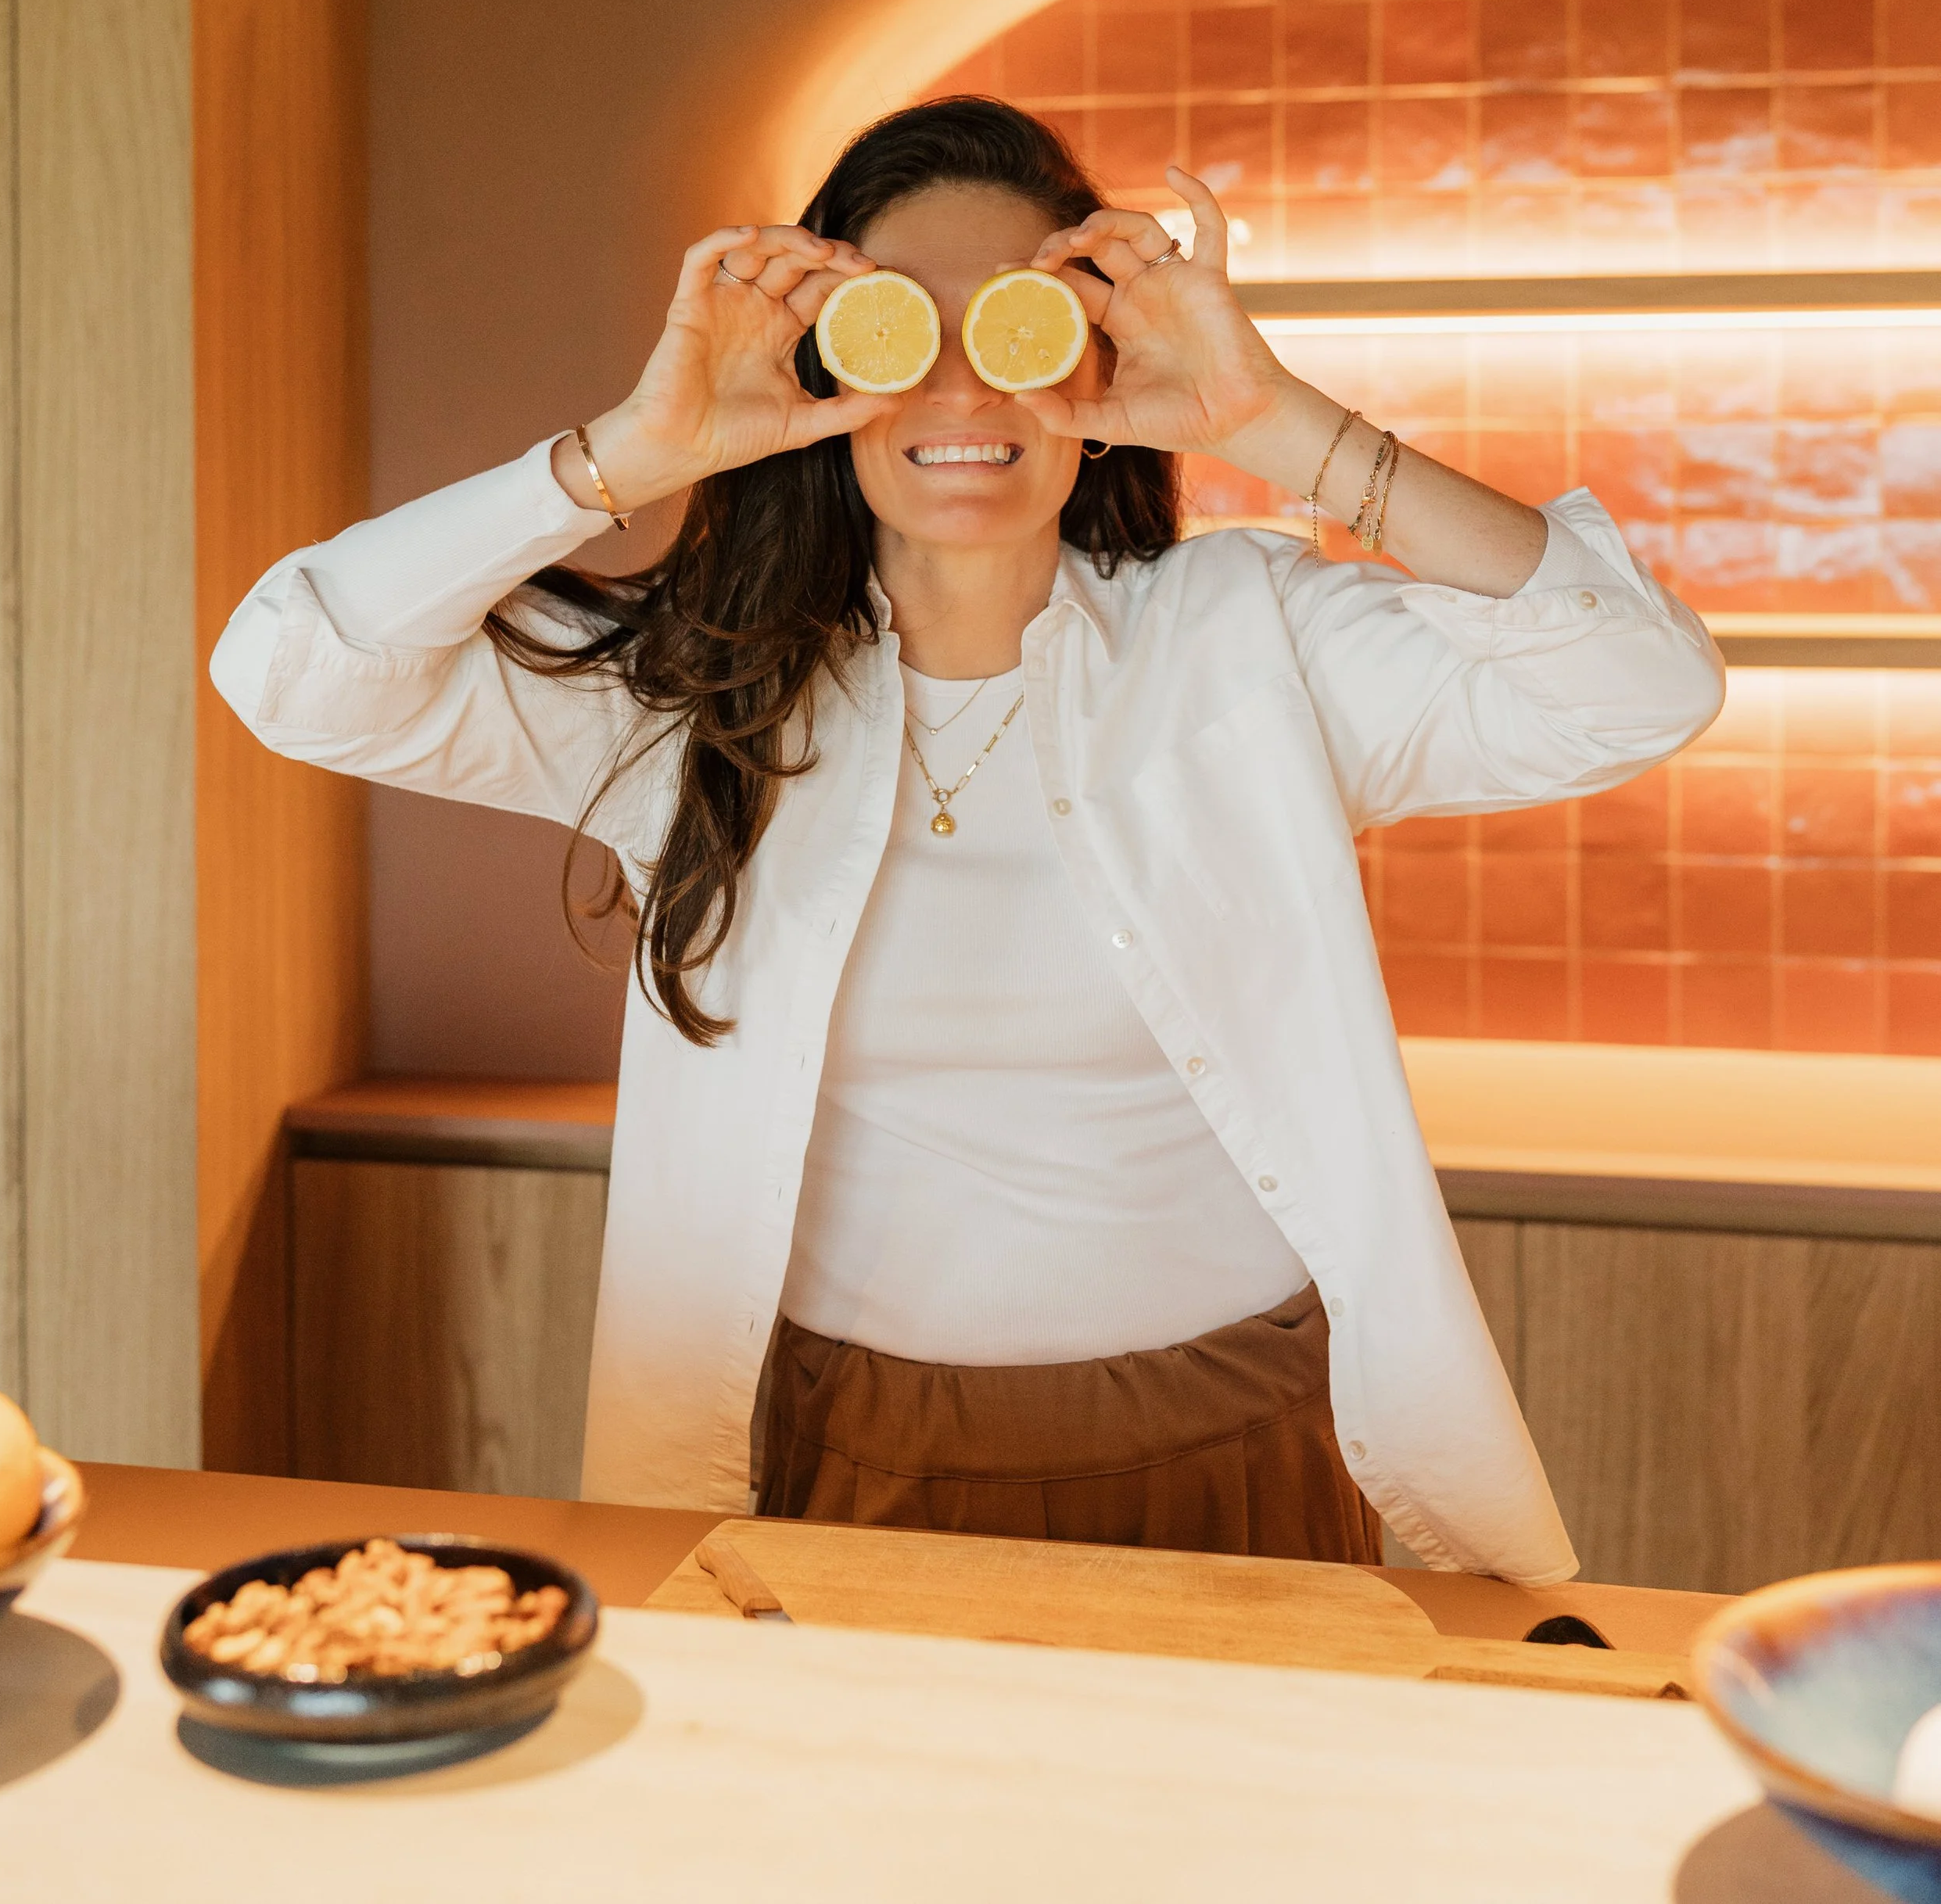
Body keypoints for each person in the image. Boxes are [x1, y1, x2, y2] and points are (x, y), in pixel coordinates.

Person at [213, 96, 1722, 1580]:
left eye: (1014, 327)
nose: (958, 389)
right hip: (843, 1448)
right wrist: (636, 448)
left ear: (1094, 360)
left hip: (1233, 1434)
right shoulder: (693, 693)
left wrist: (1280, 422)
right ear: (829, 369)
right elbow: (291, 668)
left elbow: (1644, 685)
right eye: (895, 331)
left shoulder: (1249, 638)